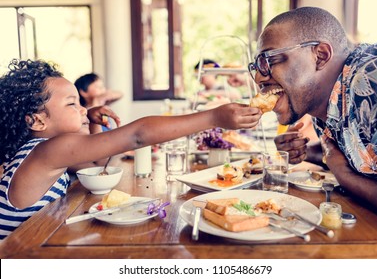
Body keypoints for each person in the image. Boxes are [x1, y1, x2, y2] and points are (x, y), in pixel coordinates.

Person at [0, 59, 261, 239]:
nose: (83, 109)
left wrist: (92, 124)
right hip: (16, 253)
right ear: (36, 120)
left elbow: (99, 166)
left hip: (36, 240)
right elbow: (137, 136)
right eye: (72, 104)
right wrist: (213, 118)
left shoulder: (43, 150)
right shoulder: (49, 151)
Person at [249, 6, 377, 217]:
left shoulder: (375, 81)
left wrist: (343, 175)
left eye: (269, 60)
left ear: (321, 56)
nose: (259, 78)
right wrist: (314, 152)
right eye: (256, 66)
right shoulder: (327, 101)